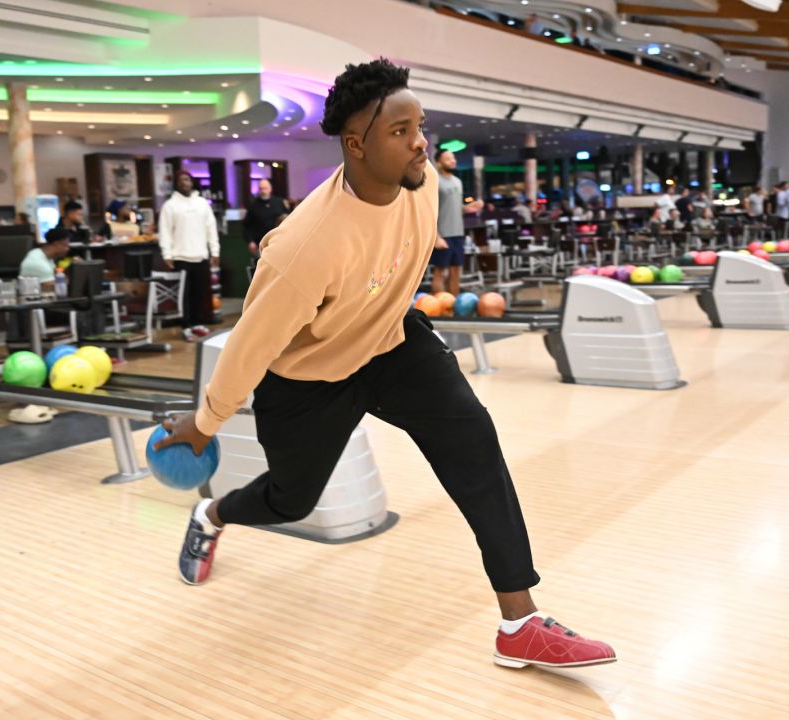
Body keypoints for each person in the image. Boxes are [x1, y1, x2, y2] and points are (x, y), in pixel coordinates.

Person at [156, 58, 615, 669]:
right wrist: (205, 423)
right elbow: (250, 347)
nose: (420, 142)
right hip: (309, 381)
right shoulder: (301, 246)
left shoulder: (419, 184)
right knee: (291, 501)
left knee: (474, 441)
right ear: (356, 145)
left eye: (419, 125)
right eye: (400, 132)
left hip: (394, 345)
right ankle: (210, 514)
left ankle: (520, 622)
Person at [159, 170, 222, 341]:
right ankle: (186, 325)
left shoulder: (202, 203)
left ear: (192, 182)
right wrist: (167, 254)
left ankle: (198, 323)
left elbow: (211, 228)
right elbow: (165, 231)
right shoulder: (170, 206)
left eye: (187, 179)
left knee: (200, 292)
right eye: (180, 180)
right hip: (181, 257)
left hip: (201, 255)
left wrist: (214, 251)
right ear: (177, 184)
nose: (184, 183)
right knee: (184, 295)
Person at [432, 148, 482, 296]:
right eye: (448, 158)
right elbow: (429, 210)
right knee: (440, 271)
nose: (452, 161)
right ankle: (438, 309)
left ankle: (452, 307)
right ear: (438, 163)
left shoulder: (458, 182)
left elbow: (455, 207)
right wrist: (436, 236)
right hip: (443, 234)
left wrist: (470, 208)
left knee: (455, 272)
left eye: (453, 158)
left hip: (458, 233)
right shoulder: (435, 182)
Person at [243, 178, 289, 258]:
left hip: (279, 242)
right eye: (261, 188)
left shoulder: (279, 202)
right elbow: (247, 226)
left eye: (265, 188)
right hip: (261, 243)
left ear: (270, 189)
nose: (263, 191)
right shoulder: (253, 205)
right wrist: (250, 241)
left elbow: (288, 220)